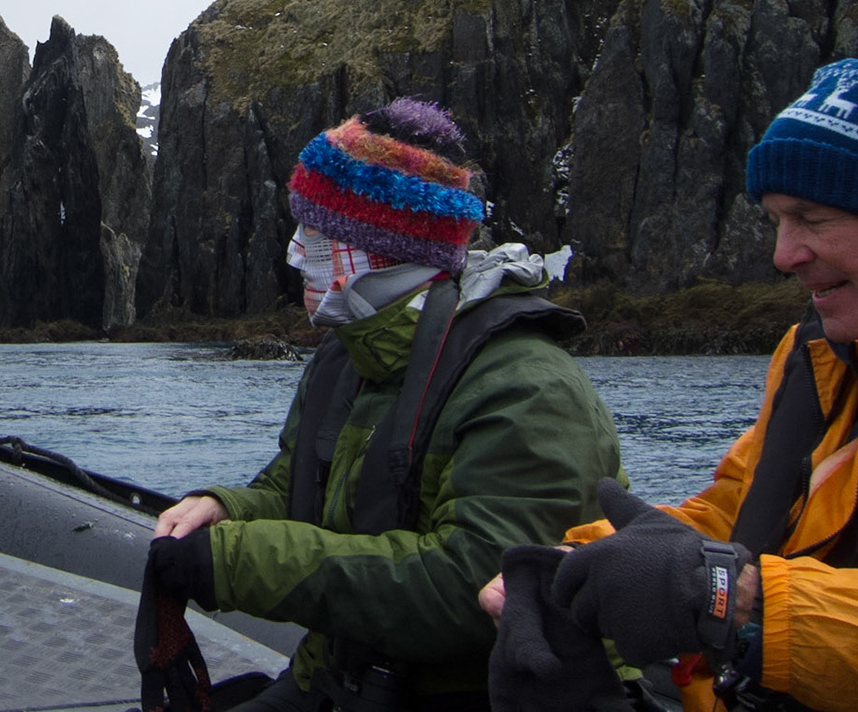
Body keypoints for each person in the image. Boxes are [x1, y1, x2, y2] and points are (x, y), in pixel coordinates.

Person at [484, 3, 858, 712]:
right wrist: (579, 561)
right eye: (778, 222)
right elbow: (740, 510)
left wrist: (736, 597)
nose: (783, 255)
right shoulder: (812, 349)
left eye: (814, 221)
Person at [146, 100, 624, 710]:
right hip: (338, 678)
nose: (296, 252)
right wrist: (224, 507)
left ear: (382, 247)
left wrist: (236, 562)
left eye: (318, 233)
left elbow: (471, 586)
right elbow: (297, 489)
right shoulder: (345, 357)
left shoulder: (529, 385)